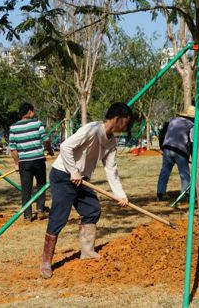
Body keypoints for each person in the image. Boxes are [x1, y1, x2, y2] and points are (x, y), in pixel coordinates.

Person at [40, 102, 133, 279]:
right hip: (63, 175)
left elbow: (111, 169)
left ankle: (87, 251)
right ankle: (46, 262)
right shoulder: (92, 129)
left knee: (92, 209)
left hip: (81, 180)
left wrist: (120, 194)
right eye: (125, 122)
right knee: (59, 216)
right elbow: (66, 147)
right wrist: (73, 170)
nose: (126, 126)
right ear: (117, 119)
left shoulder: (111, 141)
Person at [9, 102, 54, 222]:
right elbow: (46, 139)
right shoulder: (37, 123)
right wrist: (50, 150)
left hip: (24, 163)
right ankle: (40, 210)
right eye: (33, 111)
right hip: (38, 160)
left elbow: (13, 149)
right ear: (29, 111)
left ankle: (27, 216)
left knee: (26, 189)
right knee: (41, 184)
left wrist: (16, 163)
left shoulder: (13, 128)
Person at [156, 106, 195, 201]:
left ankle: (160, 194)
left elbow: (162, 134)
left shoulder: (173, 121)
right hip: (180, 150)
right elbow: (192, 141)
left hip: (167, 148)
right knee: (184, 173)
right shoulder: (191, 125)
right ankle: (185, 194)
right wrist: (193, 157)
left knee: (164, 172)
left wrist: (162, 147)